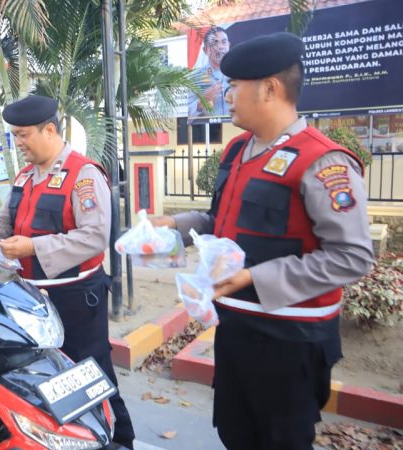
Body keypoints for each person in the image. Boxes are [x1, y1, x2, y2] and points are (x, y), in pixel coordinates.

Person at [151, 32, 374, 449]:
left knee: (280, 441)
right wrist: (175, 224)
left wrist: (255, 278)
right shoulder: (237, 150)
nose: (227, 95)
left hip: (289, 341)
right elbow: (223, 220)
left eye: (234, 86)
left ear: (270, 89)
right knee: (235, 433)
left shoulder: (322, 161)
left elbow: (352, 256)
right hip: (235, 330)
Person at [0, 95, 135, 448]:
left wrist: (33, 247)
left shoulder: (83, 175)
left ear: (49, 130)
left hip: (76, 298)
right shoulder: (25, 177)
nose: (18, 143)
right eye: (15, 136)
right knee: (43, 379)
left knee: (91, 377)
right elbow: (2, 225)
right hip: (32, 299)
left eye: (23, 135)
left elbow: (95, 236)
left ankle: (121, 441)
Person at [188, 26, 231, 118]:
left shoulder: (240, 73)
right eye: (214, 44)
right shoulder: (194, 78)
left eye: (224, 42)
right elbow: (184, 113)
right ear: (205, 50)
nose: (220, 47)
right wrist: (203, 100)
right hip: (208, 127)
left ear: (229, 45)